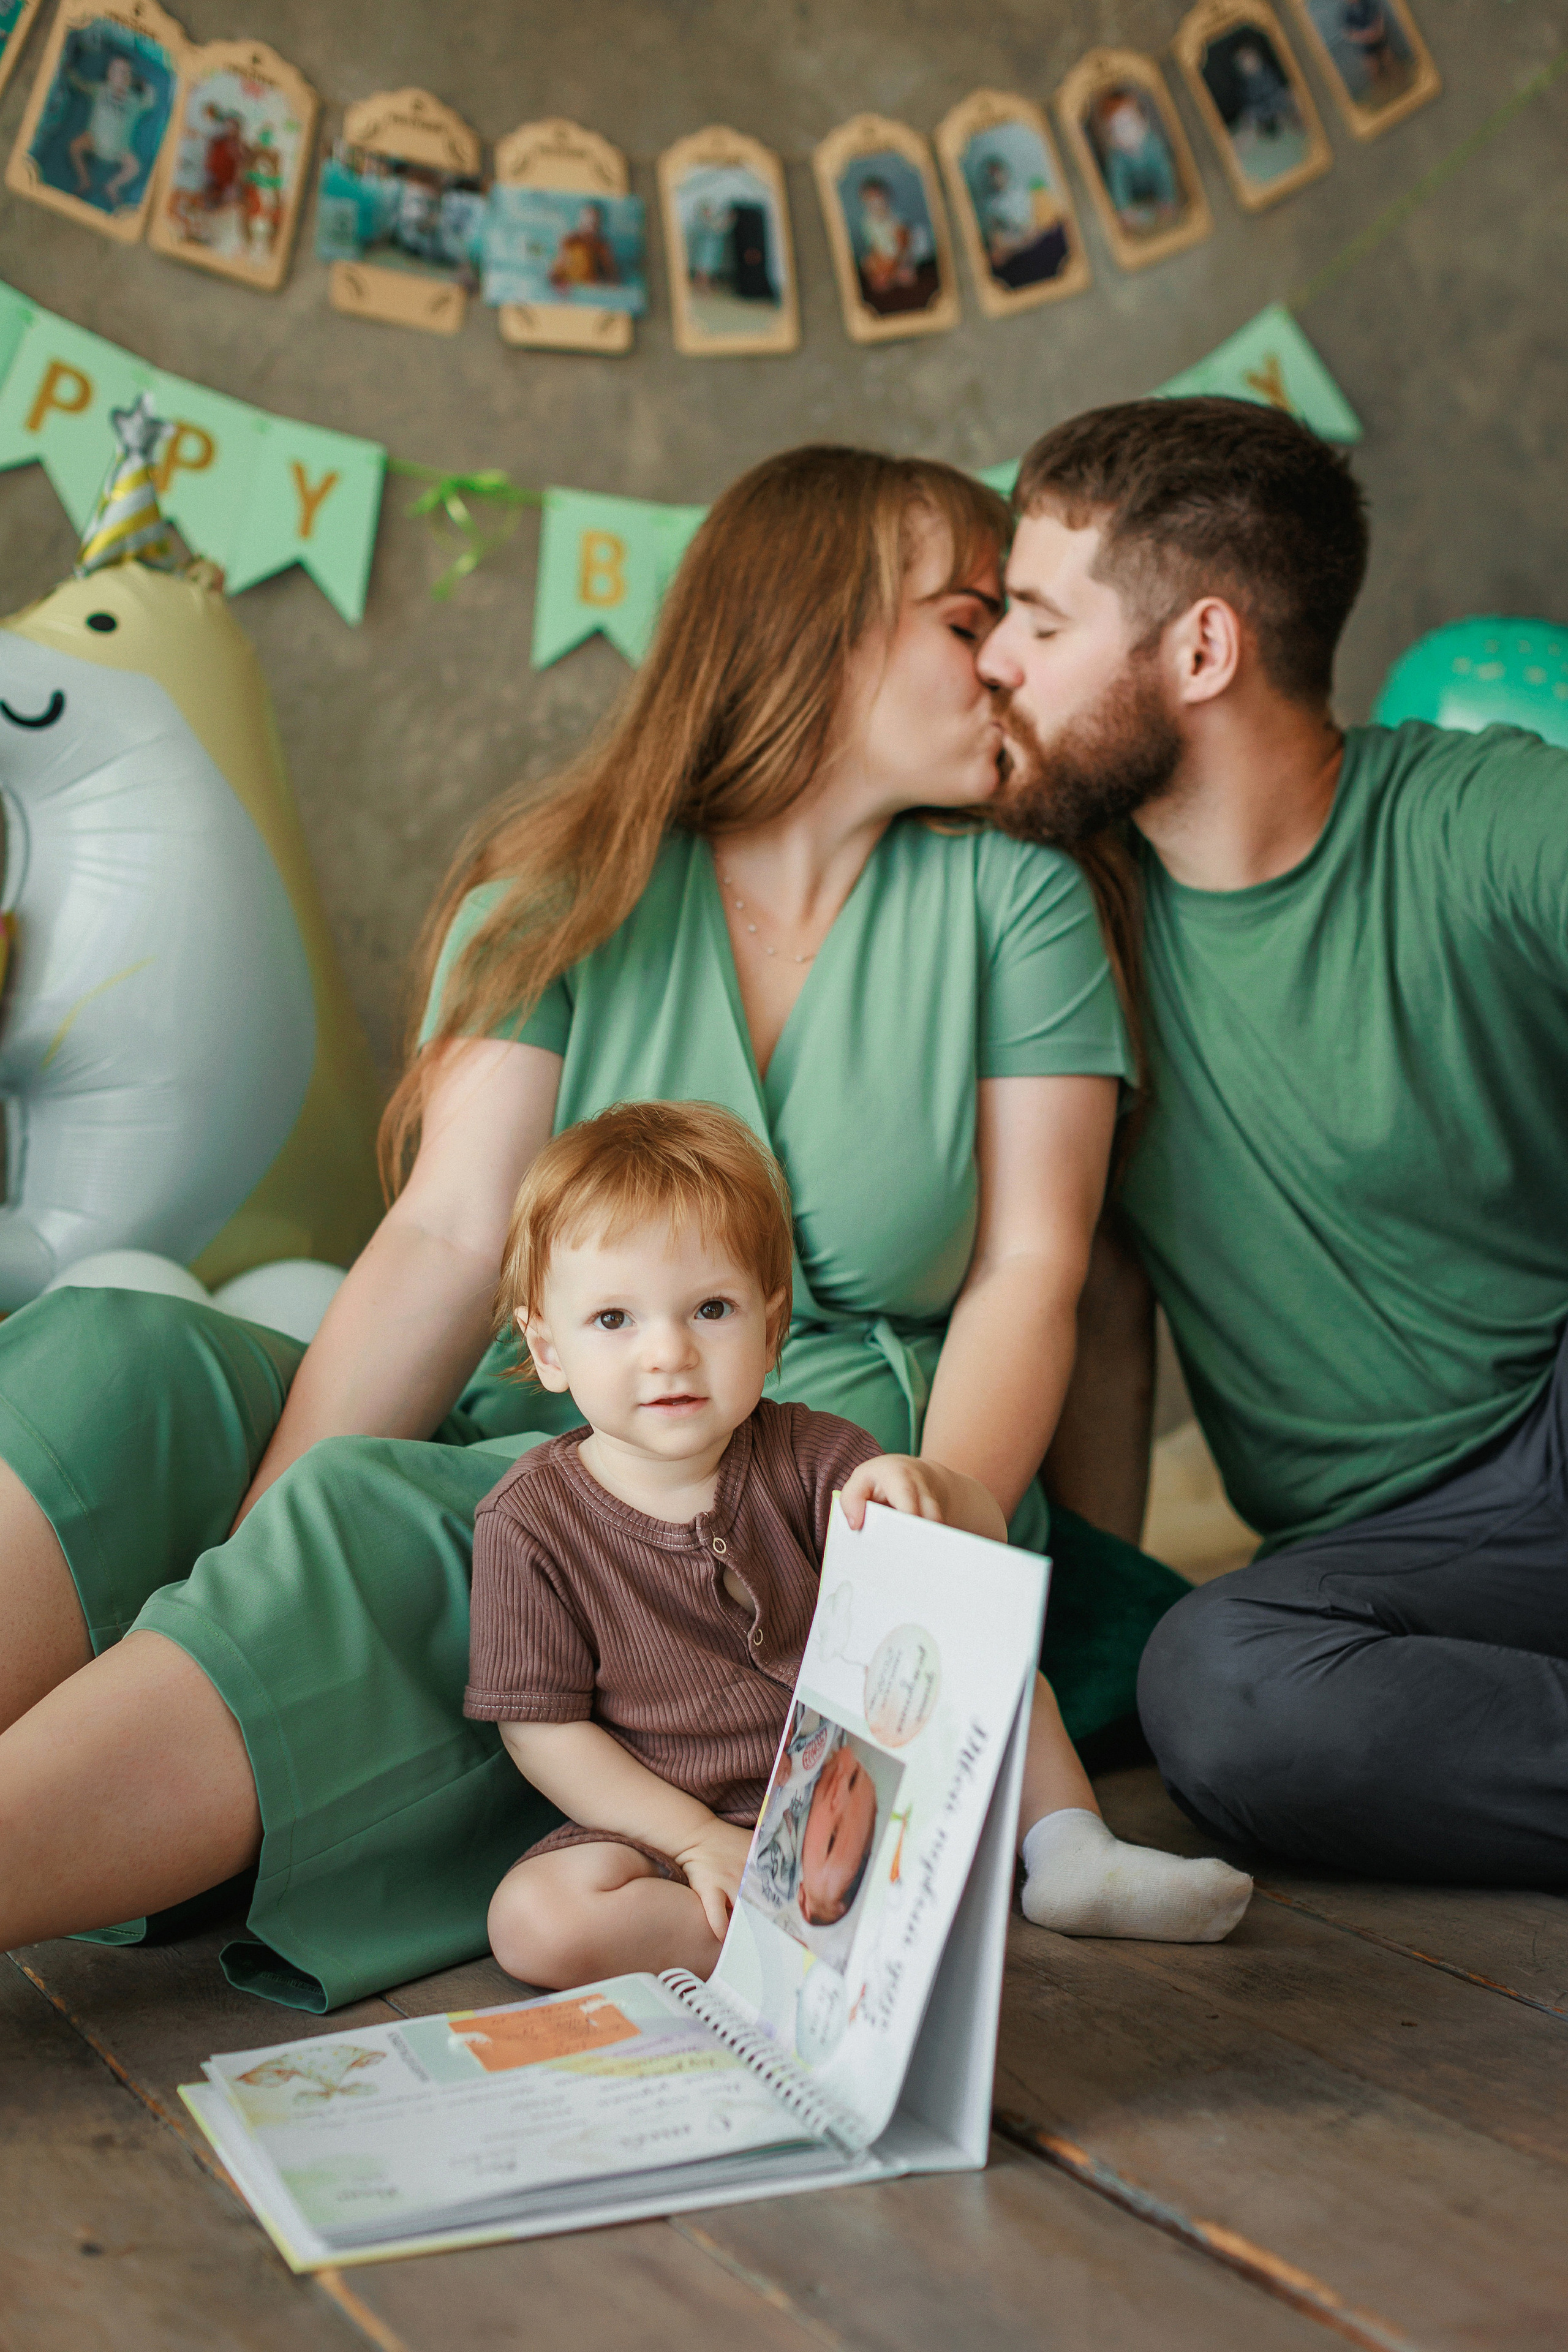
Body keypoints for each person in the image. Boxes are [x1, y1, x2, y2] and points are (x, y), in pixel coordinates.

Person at [0, 444, 1188, 2011]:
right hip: (557, 1393)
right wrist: (242, 1547)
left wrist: (944, 1521)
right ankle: (194, 1700)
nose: (1009, 666)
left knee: (409, 1529)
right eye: (970, 615)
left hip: (820, 1478)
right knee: (119, 1351)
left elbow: (1034, 1267)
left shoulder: (1010, 905)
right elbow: (442, 1240)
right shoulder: (564, 885)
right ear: (816, 627)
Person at [979, 394, 1568, 1887]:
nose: (994, 663)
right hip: (1387, 1565)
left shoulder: (1479, 819)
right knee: (1215, 1689)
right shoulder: (1060, 929)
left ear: (1198, 648)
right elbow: (1098, 1308)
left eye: (1038, 623)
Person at [472, 1102, 1251, 1987]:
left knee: (993, 1665)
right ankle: (788, 1940)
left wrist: (935, 1493)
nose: (668, 1353)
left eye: (711, 1309)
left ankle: (1072, 1855)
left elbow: (968, 1561)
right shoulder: (530, 1521)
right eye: (614, 1320)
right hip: (672, 1822)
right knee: (534, 1920)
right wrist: (696, 1842)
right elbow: (543, 1733)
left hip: (866, 1784)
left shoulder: (814, 1457)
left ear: (770, 1331)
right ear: (547, 1348)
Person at [65, 49, 159, 209]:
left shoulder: (134, 101)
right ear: (109, 74)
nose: (121, 76)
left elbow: (150, 103)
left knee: (134, 167)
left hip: (120, 149)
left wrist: (146, 86)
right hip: (93, 140)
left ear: (131, 79)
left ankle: (112, 186)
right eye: (116, 71)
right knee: (74, 147)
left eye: (125, 73)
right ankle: (85, 180)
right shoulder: (100, 90)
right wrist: (69, 72)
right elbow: (81, 85)